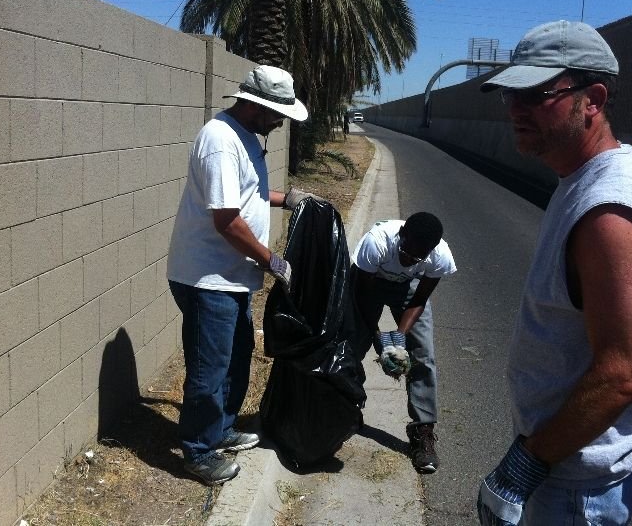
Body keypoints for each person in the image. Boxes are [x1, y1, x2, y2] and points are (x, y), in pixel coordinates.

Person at [476, 20, 632, 525]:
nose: (515, 108)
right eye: (510, 94)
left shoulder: (611, 213)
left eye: (534, 94)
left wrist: (525, 463)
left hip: (580, 483)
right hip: (568, 465)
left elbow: (622, 374)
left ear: (592, 99)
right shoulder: (582, 181)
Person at [167, 65, 321, 485]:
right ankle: (198, 451)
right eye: (277, 113)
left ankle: (221, 430)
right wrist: (271, 259)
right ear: (253, 104)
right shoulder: (220, 141)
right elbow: (226, 219)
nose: (280, 120)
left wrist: (286, 198)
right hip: (207, 279)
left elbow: (247, 193)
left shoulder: (245, 137)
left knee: (236, 358)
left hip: (231, 277)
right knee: (210, 368)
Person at [352, 213, 457, 473]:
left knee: (423, 355)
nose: (409, 260)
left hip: (409, 289)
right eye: (406, 252)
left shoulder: (440, 256)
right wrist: (378, 337)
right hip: (371, 283)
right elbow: (361, 294)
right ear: (401, 236)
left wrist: (398, 338)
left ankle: (423, 431)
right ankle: (346, 408)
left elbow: (419, 299)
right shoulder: (376, 243)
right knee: (352, 344)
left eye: (418, 258)